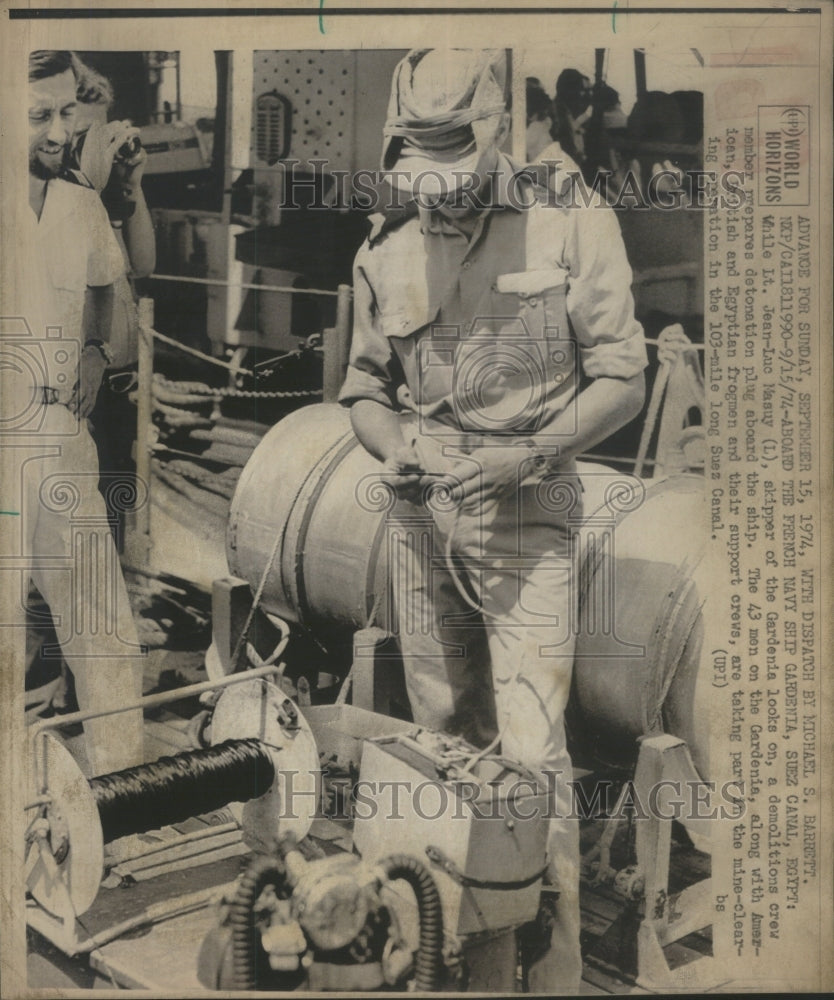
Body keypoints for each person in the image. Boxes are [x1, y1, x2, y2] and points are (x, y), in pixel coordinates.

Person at [340, 49, 647, 992]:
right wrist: (391, 445)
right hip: (422, 519)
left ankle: (546, 965)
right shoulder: (387, 242)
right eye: (421, 173)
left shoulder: (570, 218)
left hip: (532, 513)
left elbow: (624, 378)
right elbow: (363, 388)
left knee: (529, 753)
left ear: (497, 133)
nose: (440, 199)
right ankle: (458, 946)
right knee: (440, 732)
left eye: (456, 170)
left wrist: (532, 452)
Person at [18, 49, 145, 776]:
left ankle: (124, 795)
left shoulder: (79, 204)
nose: (62, 131)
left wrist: (95, 350)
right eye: (40, 115)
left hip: (63, 436)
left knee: (103, 627)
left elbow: (108, 291)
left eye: (68, 112)